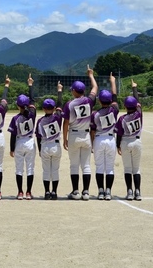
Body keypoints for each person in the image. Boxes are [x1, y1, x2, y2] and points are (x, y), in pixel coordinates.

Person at [62, 65, 98, 201]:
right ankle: (86, 192)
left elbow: (65, 123)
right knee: (86, 165)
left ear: (74, 91)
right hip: (86, 135)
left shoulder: (69, 104)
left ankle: (76, 191)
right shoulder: (89, 101)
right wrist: (91, 75)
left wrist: (64, 138)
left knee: (74, 165)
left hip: (74, 135)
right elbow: (95, 88)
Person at [8, 74, 37, 200]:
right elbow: (33, 101)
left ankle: (20, 192)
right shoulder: (33, 114)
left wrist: (12, 149)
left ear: (18, 106)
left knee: (19, 169)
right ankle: (29, 192)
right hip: (30, 141)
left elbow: (13, 135)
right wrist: (30, 85)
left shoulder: (15, 119)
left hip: (19, 142)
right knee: (30, 168)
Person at [91, 73, 119, 201]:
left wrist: (92, 143)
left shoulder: (95, 114)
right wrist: (113, 81)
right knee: (110, 168)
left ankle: (100, 191)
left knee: (99, 167)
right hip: (111, 139)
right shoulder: (114, 110)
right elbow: (114, 95)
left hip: (99, 139)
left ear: (99, 100)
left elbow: (92, 130)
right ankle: (108, 191)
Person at [116, 79, 143, 201]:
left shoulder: (122, 118)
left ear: (125, 106)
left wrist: (118, 146)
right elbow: (138, 102)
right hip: (137, 142)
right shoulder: (139, 114)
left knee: (127, 168)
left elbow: (119, 134)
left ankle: (130, 191)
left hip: (126, 142)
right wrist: (134, 89)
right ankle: (138, 191)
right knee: (136, 168)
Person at [36, 81, 64, 200]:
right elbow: (60, 104)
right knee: (55, 170)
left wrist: (39, 150)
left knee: (46, 171)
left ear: (43, 109)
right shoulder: (57, 117)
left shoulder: (40, 121)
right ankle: (54, 192)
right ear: (53, 108)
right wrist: (59, 91)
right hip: (56, 146)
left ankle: (47, 192)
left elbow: (38, 137)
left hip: (45, 146)